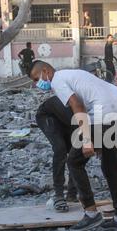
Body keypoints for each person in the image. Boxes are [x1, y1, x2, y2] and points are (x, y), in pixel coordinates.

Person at [29, 61, 117, 231]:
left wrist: (86, 139)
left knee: (74, 162)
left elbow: (77, 105)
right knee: (111, 166)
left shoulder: (57, 80)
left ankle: (91, 213)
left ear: (45, 71)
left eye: (36, 78)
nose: (37, 83)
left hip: (102, 114)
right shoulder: (72, 73)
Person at [33, 72, 79, 213]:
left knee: (75, 152)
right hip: (49, 117)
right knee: (60, 149)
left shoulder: (92, 109)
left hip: (69, 121)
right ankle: (58, 194)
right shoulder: (76, 103)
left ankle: (72, 193)